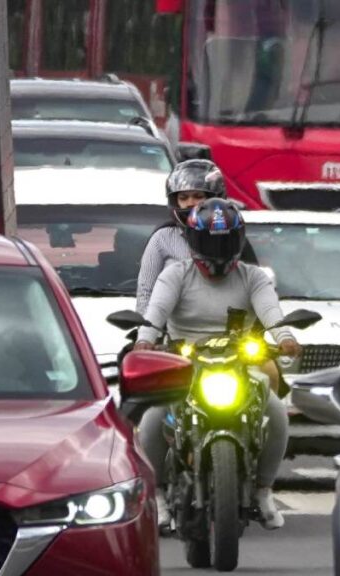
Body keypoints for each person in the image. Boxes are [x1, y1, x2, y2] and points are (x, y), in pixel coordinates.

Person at [134, 198, 300, 530]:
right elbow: (155, 315)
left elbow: (271, 312)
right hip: (185, 363)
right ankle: (159, 496)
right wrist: (145, 339)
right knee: (153, 417)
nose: (217, 251)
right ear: (193, 241)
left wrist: (284, 337)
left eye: (225, 242)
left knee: (276, 410)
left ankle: (264, 489)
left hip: (238, 363)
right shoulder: (175, 274)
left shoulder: (253, 277)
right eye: (210, 241)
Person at [136, 159, 228, 315]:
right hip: (173, 332)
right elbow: (146, 291)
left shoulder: (231, 234)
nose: (190, 203)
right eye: (183, 198)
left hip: (225, 329)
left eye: (198, 196)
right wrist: (148, 331)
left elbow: (252, 285)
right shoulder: (163, 237)